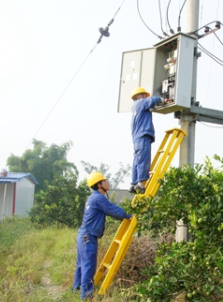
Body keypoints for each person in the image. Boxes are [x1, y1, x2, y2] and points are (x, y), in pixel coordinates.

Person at [72, 171, 132, 301]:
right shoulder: (98, 198)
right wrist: (128, 215)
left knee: (82, 264)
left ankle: (77, 289)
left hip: (83, 235)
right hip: (87, 236)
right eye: (104, 181)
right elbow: (113, 209)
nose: (107, 182)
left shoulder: (94, 197)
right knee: (88, 264)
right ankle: (87, 296)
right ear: (99, 184)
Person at [129, 87, 167, 194]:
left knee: (137, 161)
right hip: (143, 135)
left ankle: (134, 183)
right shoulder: (141, 102)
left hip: (137, 138)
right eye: (144, 95)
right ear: (139, 96)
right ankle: (141, 184)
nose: (146, 97)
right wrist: (162, 99)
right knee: (144, 159)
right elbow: (152, 100)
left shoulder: (135, 107)